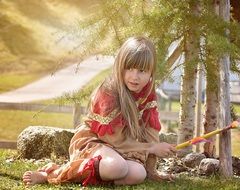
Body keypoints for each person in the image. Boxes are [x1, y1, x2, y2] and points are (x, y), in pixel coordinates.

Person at [22, 36, 177, 187]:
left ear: (151, 73)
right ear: (120, 66)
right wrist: (150, 148)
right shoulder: (109, 91)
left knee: (138, 174)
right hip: (98, 142)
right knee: (116, 167)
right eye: (129, 68)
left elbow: (151, 132)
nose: (134, 76)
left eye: (142, 70)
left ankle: (99, 174)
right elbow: (114, 140)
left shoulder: (147, 92)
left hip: (125, 150)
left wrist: (151, 169)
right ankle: (52, 174)